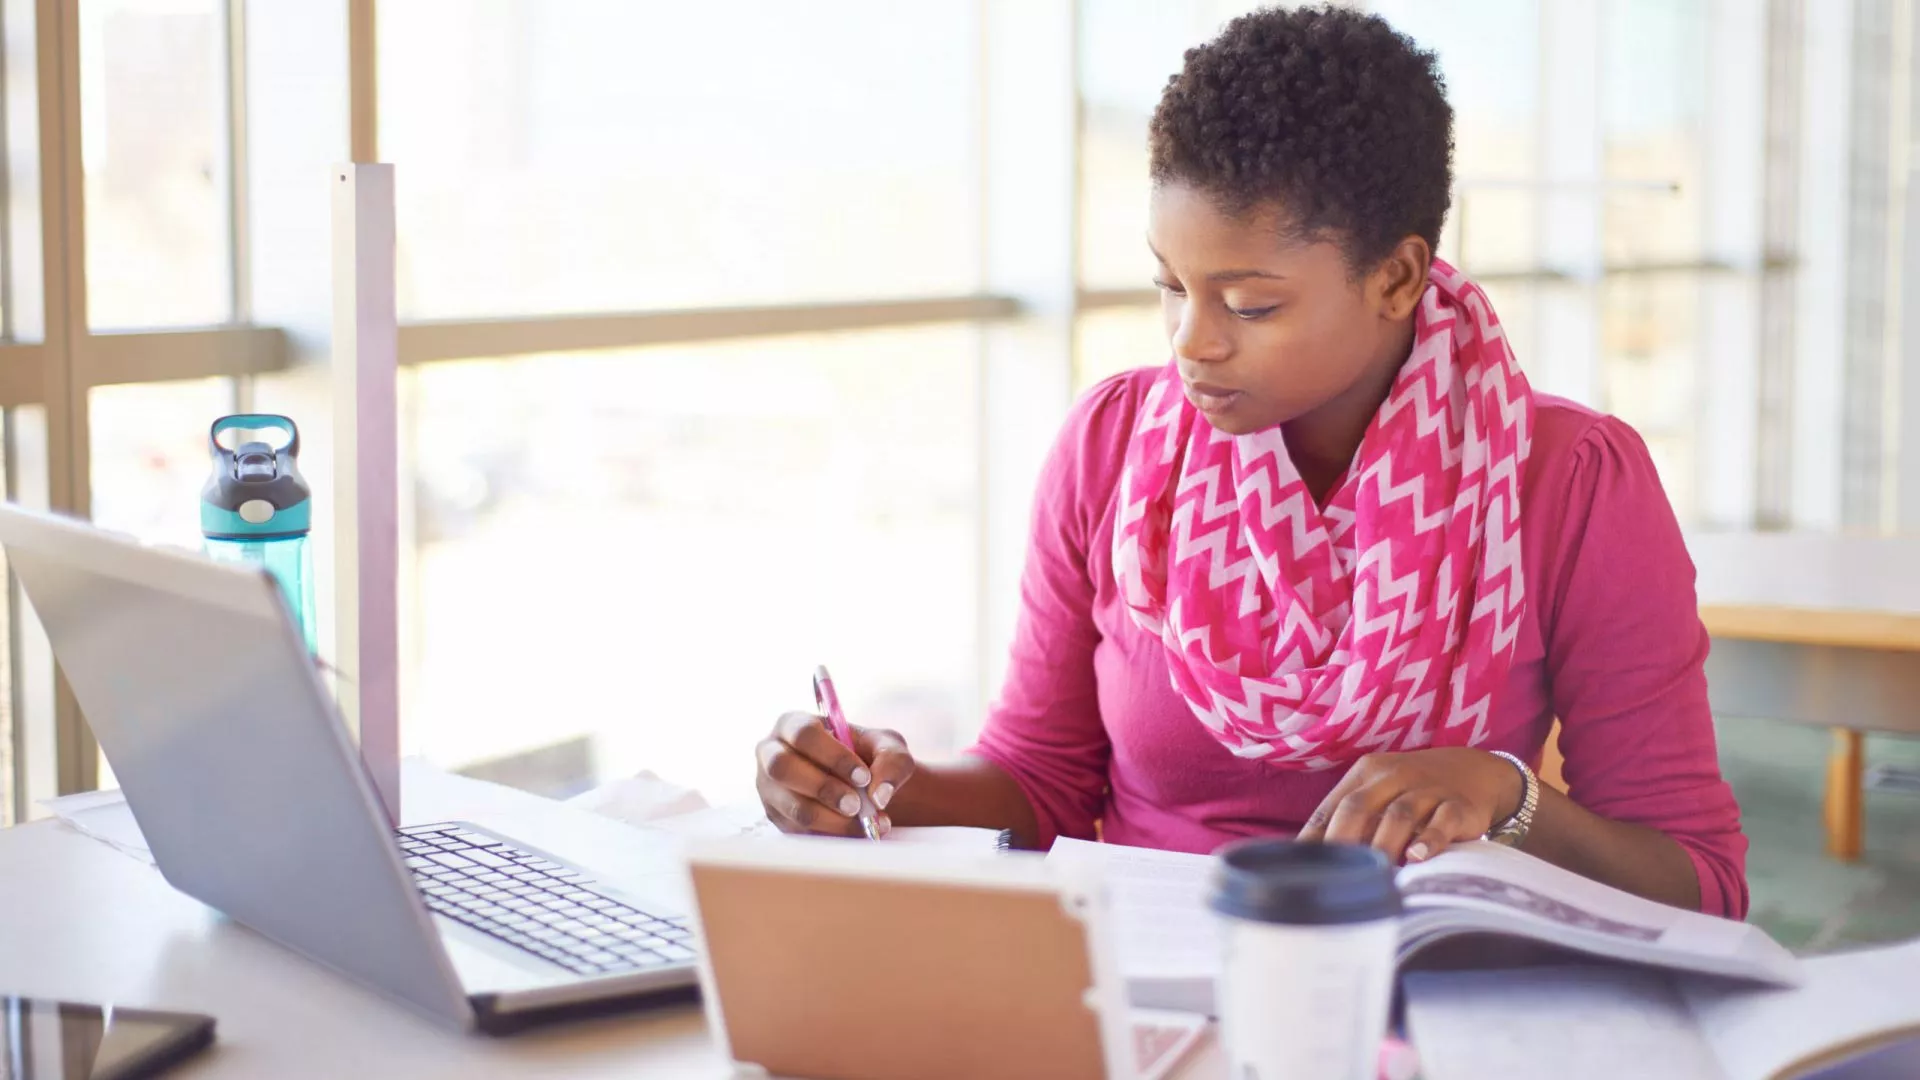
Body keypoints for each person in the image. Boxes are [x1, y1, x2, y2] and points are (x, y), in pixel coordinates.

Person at [753, 4, 1747, 918]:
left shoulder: (1566, 480)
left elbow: (1700, 882)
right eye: (1170, 285)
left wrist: (1506, 797)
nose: (1192, 342)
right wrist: (882, 786)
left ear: (1397, 277)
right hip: (1143, 978)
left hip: (1431, 998)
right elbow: (1043, 784)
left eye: (1251, 303)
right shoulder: (1112, 451)